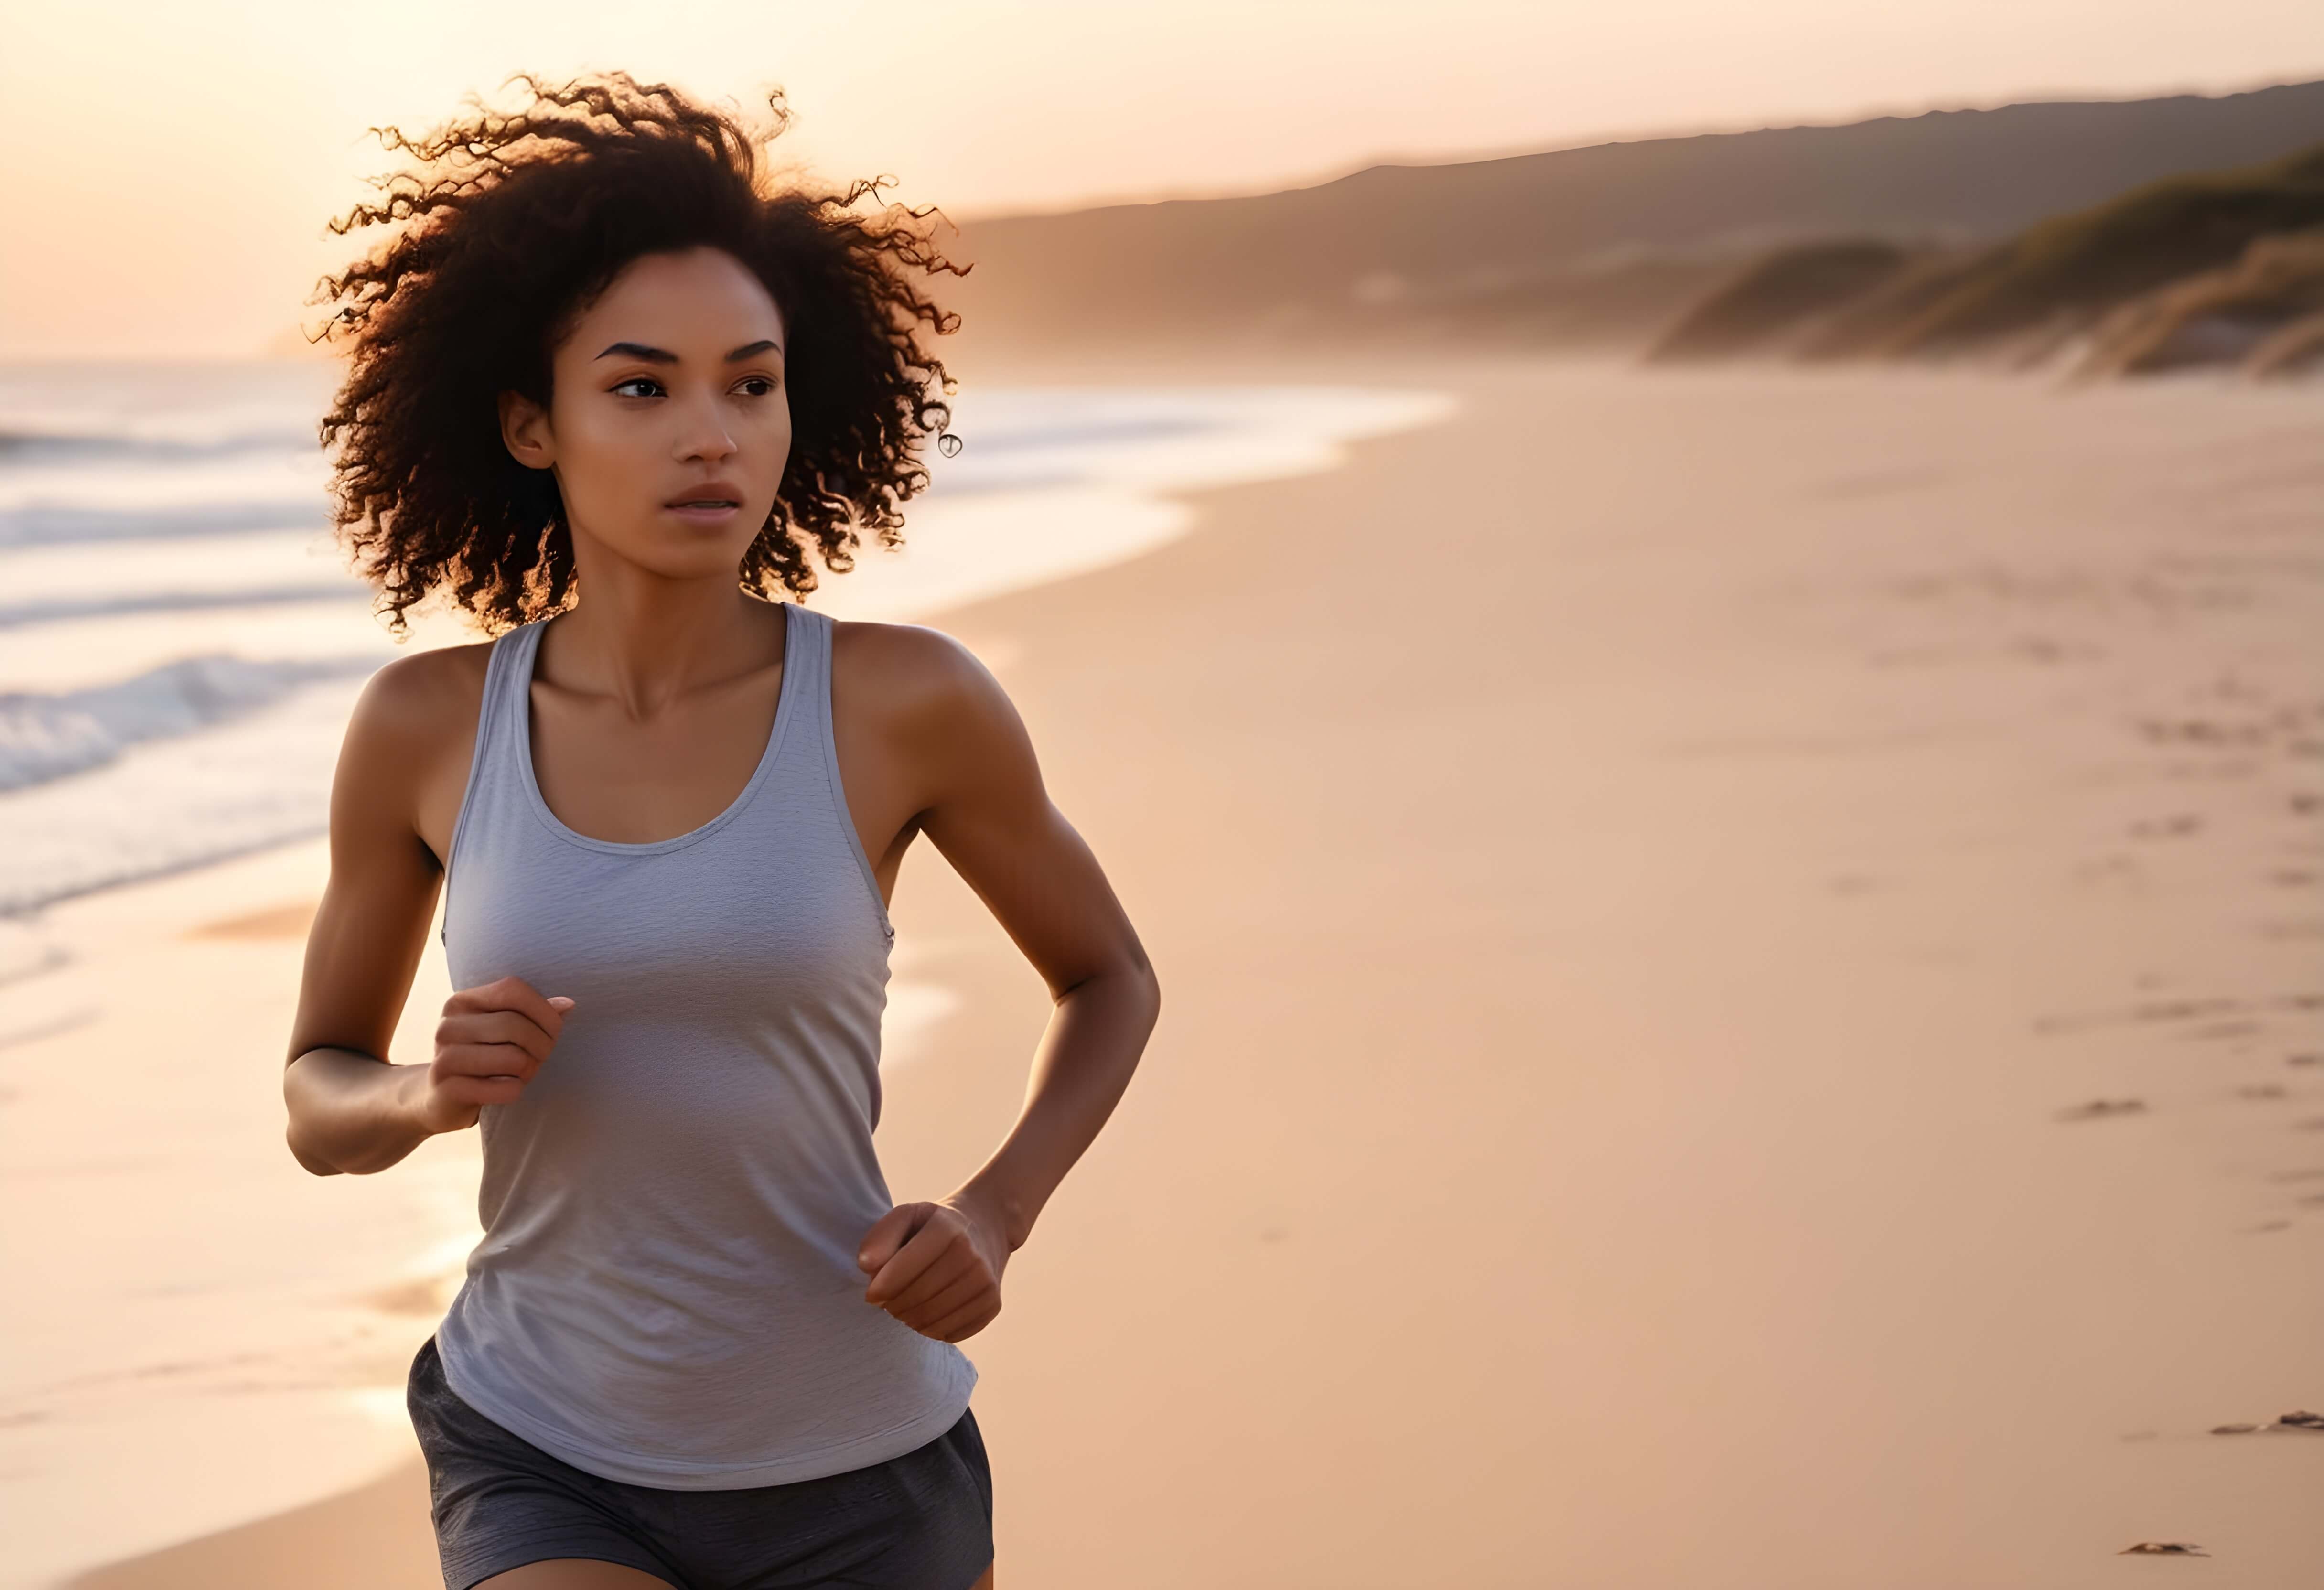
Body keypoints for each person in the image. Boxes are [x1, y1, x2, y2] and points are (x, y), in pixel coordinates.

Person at [280, 72, 1160, 1590]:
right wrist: (421, 1092)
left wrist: (998, 1214)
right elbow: (316, 1097)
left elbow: (1110, 980)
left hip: (860, 1466)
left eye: (750, 384)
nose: (710, 435)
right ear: (527, 423)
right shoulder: (426, 730)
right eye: (642, 387)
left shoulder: (905, 704)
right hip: (539, 1444)